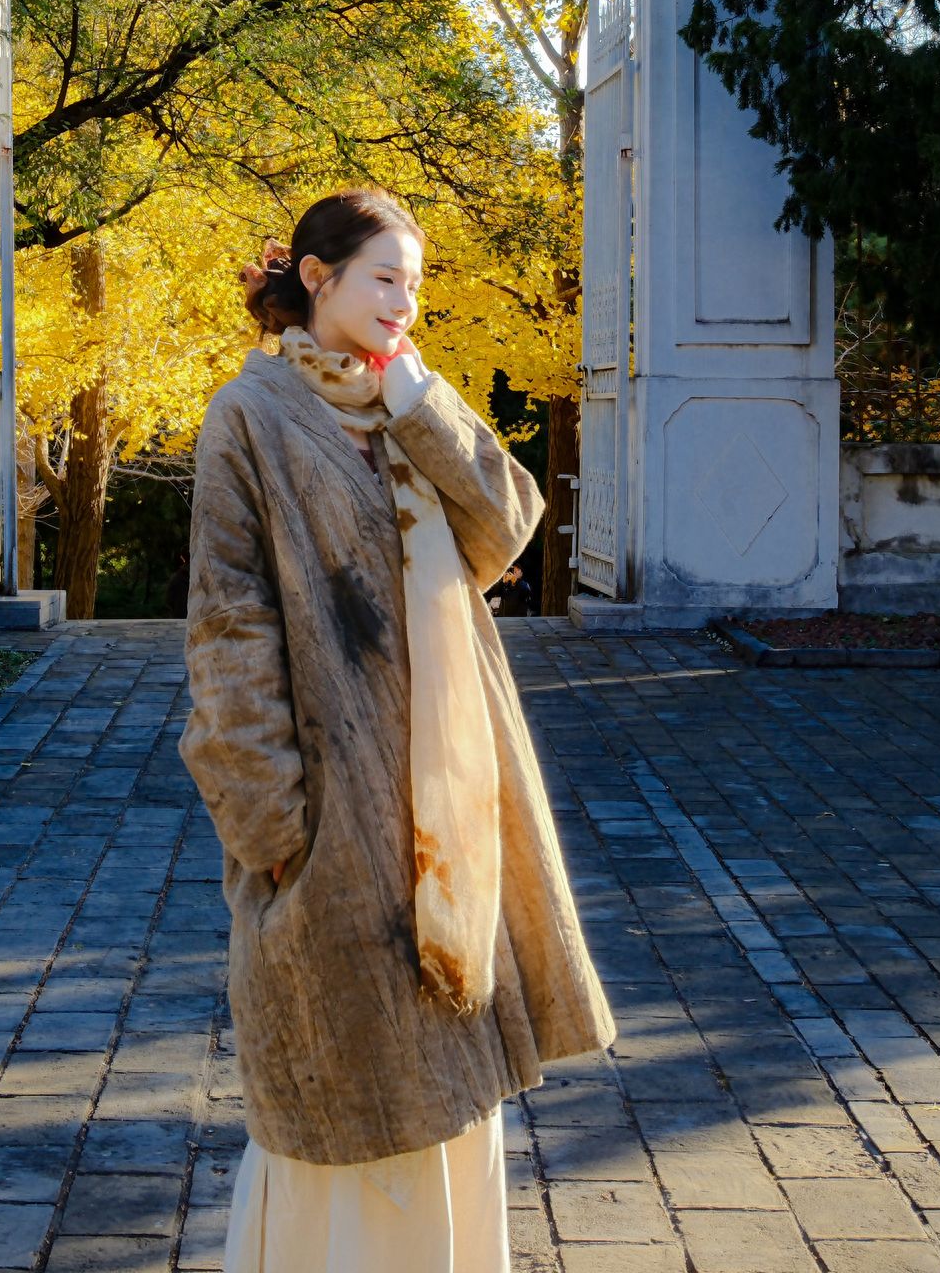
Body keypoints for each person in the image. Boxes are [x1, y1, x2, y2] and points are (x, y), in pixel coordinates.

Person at [178, 189, 614, 1273]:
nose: (402, 303)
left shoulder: (404, 399)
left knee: (447, 1075)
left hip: (451, 807)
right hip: (330, 812)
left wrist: (421, 402)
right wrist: (271, 824)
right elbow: (227, 631)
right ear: (316, 278)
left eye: (413, 284)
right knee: (342, 1077)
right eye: (383, 278)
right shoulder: (251, 418)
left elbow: (503, 528)